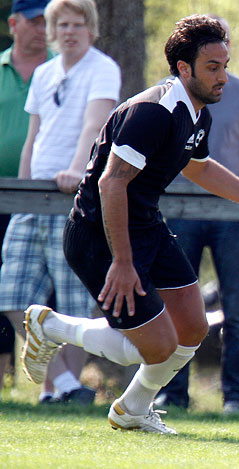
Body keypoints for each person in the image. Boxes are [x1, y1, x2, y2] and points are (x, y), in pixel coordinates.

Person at [20, 14, 239, 434]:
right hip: (97, 235)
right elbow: (111, 184)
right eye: (214, 67)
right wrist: (122, 262)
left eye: (225, 65)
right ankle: (51, 326)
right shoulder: (152, 112)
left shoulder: (198, 113)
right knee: (154, 347)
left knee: (192, 327)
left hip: (146, 226)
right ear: (183, 68)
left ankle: (132, 409)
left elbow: (201, 168)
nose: (223, 76)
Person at [0, 0, 120, 405]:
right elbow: (33, 137)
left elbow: (94, 125)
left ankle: (59, 390)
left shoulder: (103, 67)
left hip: (75, 197)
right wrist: (22, 187)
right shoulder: (45, 73)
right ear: (52, 30)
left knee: (73, 303)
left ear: (91, 29)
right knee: (11, 292)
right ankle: (66, 385)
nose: (69, 31)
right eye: (62, 24)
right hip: (34, 196)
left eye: (78, 24)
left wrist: (76, 171)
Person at [155, 15, 239, 415]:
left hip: (230, 217)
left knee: (238, 309)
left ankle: (238, 398)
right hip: (180, 211)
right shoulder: (167, 97)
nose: (219, 71)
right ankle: (171, 394)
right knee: (175, 305)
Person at [0, 0, 53, 398]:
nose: (42, 29)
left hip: (48, 196)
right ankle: (4, 383)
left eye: (46, 22)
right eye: (34, 22)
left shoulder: (62, 69)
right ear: (13, 24)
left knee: (48, 295)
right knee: (5, 289)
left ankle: (53, 385)